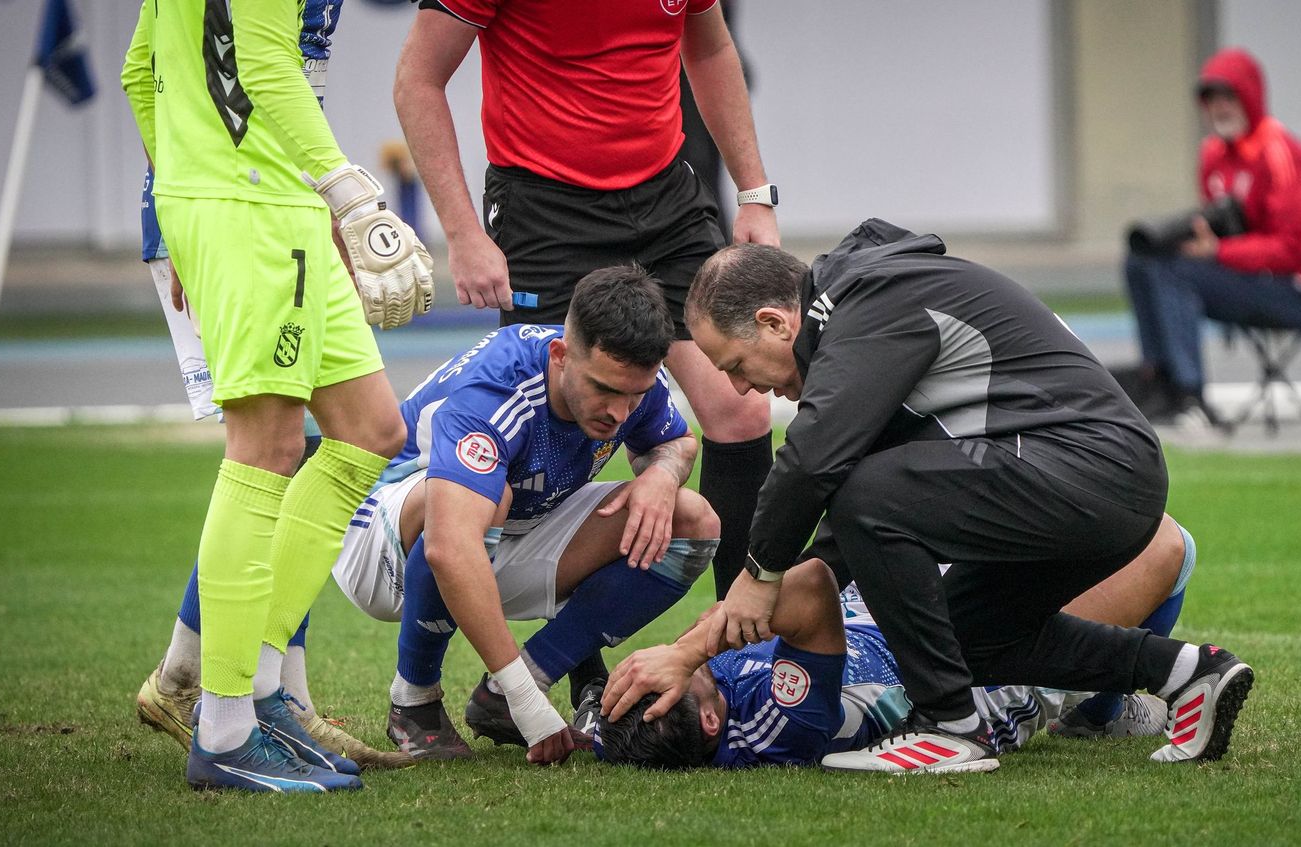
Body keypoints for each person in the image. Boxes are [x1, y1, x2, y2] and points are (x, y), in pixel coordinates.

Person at [679, 222, 1255, 774]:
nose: (741, 387)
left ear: (776, 323)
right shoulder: (862, 312)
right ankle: (1187, 672)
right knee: (963, 635)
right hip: (1098, 477)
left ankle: (949, 727)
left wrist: (759, 572)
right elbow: (846, 530)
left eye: (735, 364)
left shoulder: (869, 301)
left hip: (1094, 471)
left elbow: (813, 464)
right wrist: (754, 603)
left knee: (866, 496)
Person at [136, 266, 722, 767]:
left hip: (506, 533)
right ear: (562, 354)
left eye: (634, 396)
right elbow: (449, 546)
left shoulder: (632, 378)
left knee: (692, 519)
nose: (620, 413)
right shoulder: (496, 390)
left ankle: (510, 690)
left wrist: (662, 476)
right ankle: (414, 699)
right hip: (381, 539)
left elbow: (678, 441)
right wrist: (530, 704)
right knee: (477, 504)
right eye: (603, 391)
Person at [123, 0, 433, 792]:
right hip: (253, 200)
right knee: (264, 446)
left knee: (370, 429)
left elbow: (140, 74)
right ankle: (224, 727)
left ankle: (259, 689)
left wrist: (178, 200)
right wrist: (354, 194)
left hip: (264, 198)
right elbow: (262, 68)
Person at [394, 0, 779, 618]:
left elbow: (709, 48)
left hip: (668, 198)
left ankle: (738, 651)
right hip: (544, 209)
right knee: (554, 427)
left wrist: (756, 193)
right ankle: (577, 678)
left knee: (742, 411)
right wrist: (463, 233)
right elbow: (418, 77)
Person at [593, 516, 1200, 769]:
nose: (644, 669)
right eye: (661, 681)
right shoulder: (785, 723)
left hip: (915, 605)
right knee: (1166, 544)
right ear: (706, 723)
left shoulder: (697, 714)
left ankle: (1104, 706)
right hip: (986, 659)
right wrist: (689, 653)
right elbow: (809, 588)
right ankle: (1100, 708)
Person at [1116, 46, 1301, 426]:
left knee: (1177, 272)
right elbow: (1225, 229)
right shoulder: (1213, 155)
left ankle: (1189, 395)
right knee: (1143, 261)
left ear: (1250, 97)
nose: (1220, 108)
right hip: (1254, 275)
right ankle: (1158, 380)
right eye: (1212, 99)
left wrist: (1219, 252)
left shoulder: (1281, 155)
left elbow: (1293, 249)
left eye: (1229, 97)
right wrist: (1202, 245)